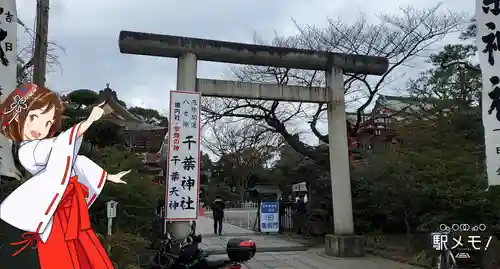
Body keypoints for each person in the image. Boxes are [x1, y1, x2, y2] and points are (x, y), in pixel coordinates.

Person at [0, 84, 130, 269]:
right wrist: (88, 122)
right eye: (34, 117)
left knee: (73, 248)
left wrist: (108, 176)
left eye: (47, 122)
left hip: (60, 206)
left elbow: (75, 160)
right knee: (56, 251)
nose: (41, 127)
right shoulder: (27, 150)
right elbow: (61, 145)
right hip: (46, 207)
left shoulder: (46, 146)